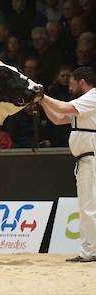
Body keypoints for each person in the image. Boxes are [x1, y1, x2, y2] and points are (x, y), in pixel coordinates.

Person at [40, 66, 96, 262]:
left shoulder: (93, 97)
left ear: (82, 82)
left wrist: (42, 95)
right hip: (85, 160)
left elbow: (64, 108)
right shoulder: (84, 103)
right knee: (87, 206)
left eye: (72, 85)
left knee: (89, 207)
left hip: (92, 158)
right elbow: (57, 118)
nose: (70, 89)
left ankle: (90, 252)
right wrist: (41, 100)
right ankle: (90, 250)